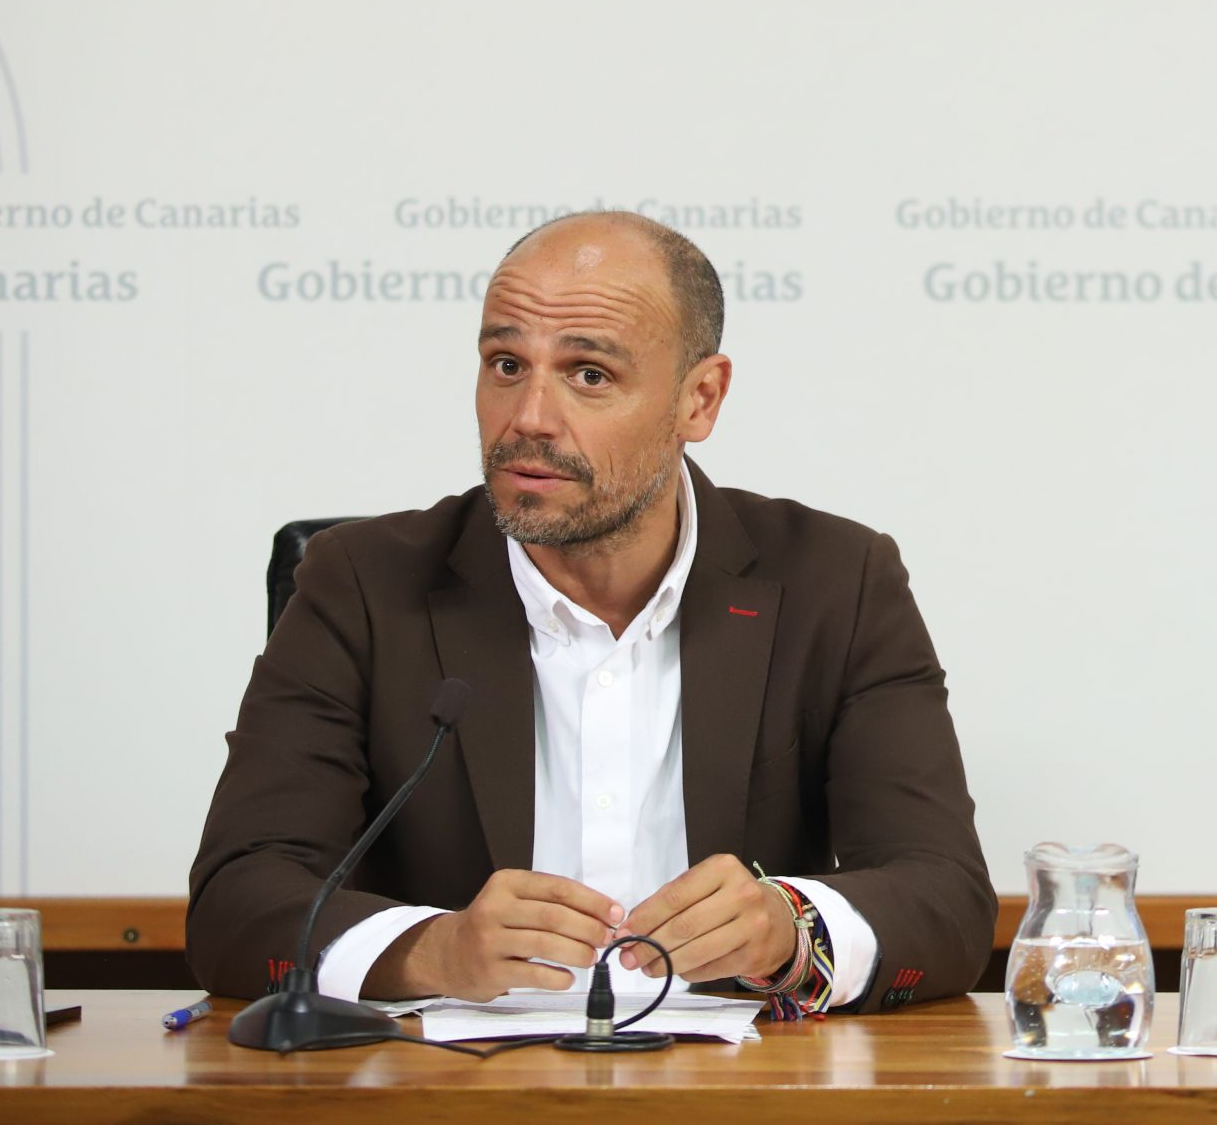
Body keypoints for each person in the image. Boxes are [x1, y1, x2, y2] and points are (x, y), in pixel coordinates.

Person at [189, 211, 994, 1011]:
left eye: (589, 375)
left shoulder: (836, 583)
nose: (529, 416)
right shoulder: (362, 584)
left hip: (740, 1077)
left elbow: (946, 897)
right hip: (453, 1078)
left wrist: (791, 930)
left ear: (700, 399)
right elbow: (237, 901)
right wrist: (432, 949)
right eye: (506, 364)